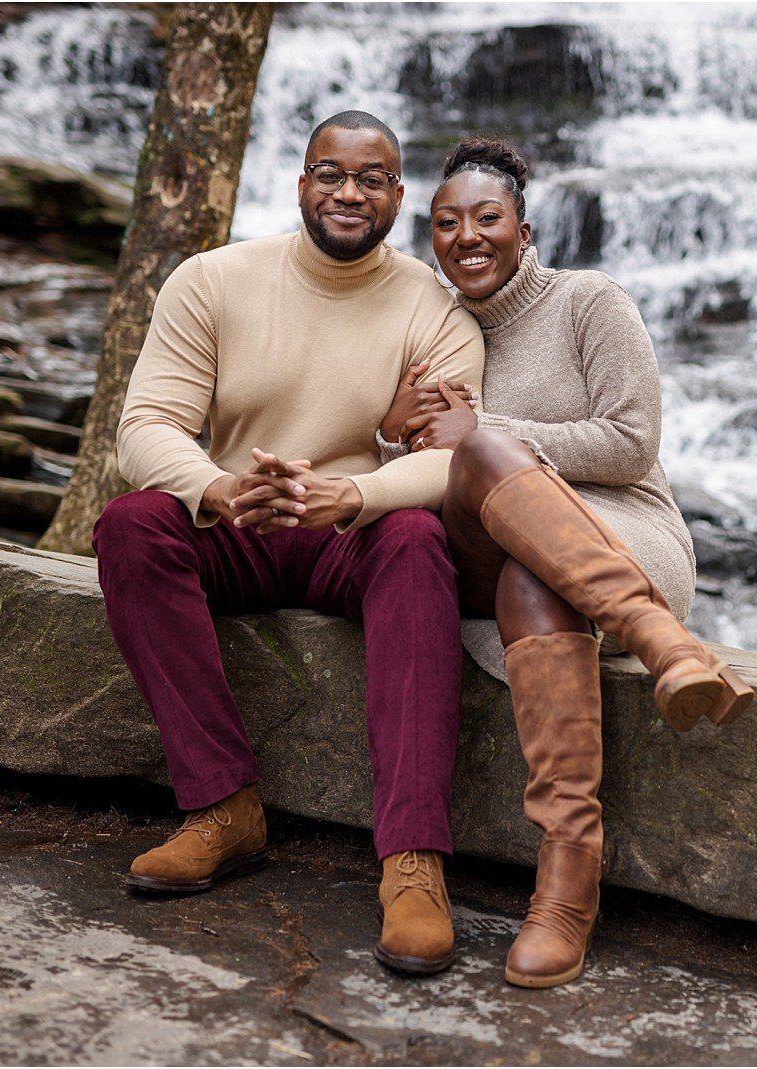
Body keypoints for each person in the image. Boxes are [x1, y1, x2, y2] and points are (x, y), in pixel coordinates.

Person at [92, 110, 484, 977]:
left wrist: (358, 493)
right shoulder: (213, 280)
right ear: (302, 183)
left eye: (371, 177)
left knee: (419, 540)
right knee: (129, 525)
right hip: (238, 520)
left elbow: (457, 457)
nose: (350, 191)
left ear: (397, 195)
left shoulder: (433, 305)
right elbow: (146, 425)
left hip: (348, 531)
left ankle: (412, 859)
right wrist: (219, 488)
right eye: (331, 174)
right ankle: (224, 809)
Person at [389, 137, 754, 989]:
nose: (468, 236)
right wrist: (393, 426)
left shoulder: (590, 300)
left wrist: (494, 433)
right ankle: (666, 646)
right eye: (447, 223)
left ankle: (564, 889)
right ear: (430, 237)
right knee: (486, 480)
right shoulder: (431, 332)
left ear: (525, 226)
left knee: (530, 564)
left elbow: (632, 445)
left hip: (625, 532)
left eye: (488, 218)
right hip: (486, 557)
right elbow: (405, 465)